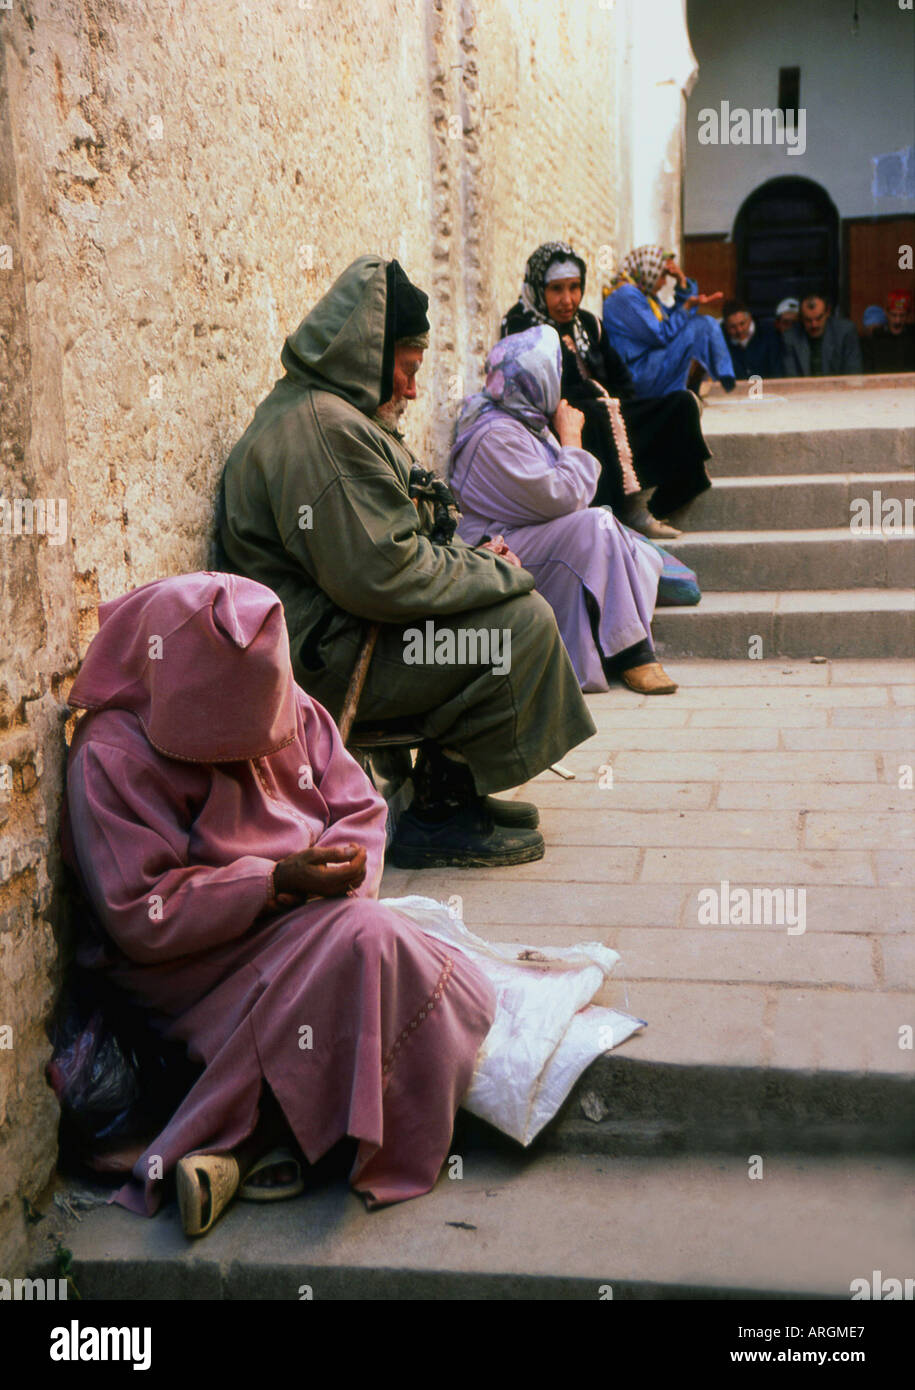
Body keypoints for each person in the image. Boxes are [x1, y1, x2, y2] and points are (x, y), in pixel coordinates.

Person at [60, 572, 498, 1237]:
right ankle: (274, 1133)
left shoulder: (284, 704)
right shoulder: (111, 756)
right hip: (188, 958)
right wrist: (274, 882)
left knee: (368, 945)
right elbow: (141, 914)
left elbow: (358, 806)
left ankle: (256, 1139)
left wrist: (344, 867)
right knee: (364, 947)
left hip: (307, 913)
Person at [218, 255, 597, 871]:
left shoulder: (331, 413)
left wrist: (471, 561)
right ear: (369, 356)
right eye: (407, 368)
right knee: (516, 628)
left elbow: (386, 545)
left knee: (507, 610)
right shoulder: (325, 432)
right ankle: (439, 814)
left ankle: (451, 786)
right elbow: (383, 575)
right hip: (328, 659)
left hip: (338, 633)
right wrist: (498, 572)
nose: (414, 389)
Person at [450, 325, 677, 696]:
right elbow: (565, 496)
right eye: (553, 372)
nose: (558, 381)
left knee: (619, 539)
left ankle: (616, 631)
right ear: (534, 379)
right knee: (598, 525)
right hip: (495, 551)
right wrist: (572, 438)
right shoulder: (496, 436)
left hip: (521, 535)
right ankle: (632, 653)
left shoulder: (521, 419)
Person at [500, 241, 712, 541]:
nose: (567, 299)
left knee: (681, 404)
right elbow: (535, 391)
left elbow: (620, 377)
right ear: (538, 287)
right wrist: (606, 406)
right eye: (556, 289)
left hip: (605, 410)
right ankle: (629, 509)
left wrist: (624, 407)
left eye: (574, 287)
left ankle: (654, 500)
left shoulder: (587, 323)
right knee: (601, 413)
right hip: (558, 421)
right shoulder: (522, 325)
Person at [601, 244, 736, 397]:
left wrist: (682, 282)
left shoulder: (644, 295)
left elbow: (673, 321)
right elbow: (661, 335)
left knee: (702, 325)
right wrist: (686, 307)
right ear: (647, 272)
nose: (664, 282)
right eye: (663, 275)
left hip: (648, 366)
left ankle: (719, 381)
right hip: (636, 374)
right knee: (701, 326)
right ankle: (726, 383)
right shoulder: (626, 295)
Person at [781, 292, 863, 376]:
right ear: (801, 318)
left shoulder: (845, 332)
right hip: (805, 388)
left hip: (838, 387)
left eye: (819, 318)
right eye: (808, 320)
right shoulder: (790, 337)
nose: (814, 325)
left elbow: (853, 374)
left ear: (828, 312)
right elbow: (791, 378)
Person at [721, 299, 782, 379]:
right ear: (725, 326)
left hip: (767, 388)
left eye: (742, 323)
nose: (739, 330)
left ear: (749, 318)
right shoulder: (719, 339)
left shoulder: (769, 334)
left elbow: (777, 371)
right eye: (733, 327)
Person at [862, 291, 915, 373]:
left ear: (908, 315)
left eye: (902, 315)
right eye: (894, 315)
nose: (898, 320)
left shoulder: (912, 335)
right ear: (886, 313)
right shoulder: (875, 337)